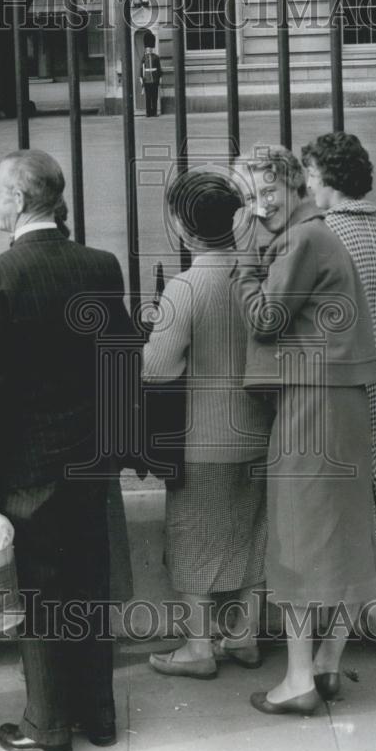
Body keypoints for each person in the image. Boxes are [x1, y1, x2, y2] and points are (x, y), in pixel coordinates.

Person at [0, 149, 134, 751]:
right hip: (90, 455)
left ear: (17, 200)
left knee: (38, 591)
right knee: (91, 582)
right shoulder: (100, 265)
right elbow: (121, 363)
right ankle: (101, 716)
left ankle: (48, 726)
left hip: (28, 463)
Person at [232, 146, 376, 715]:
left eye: (268, 191)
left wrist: (246, 264)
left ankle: (297, 680)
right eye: (248, 196)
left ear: (296, 185)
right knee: (331, 534)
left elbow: (266, 319)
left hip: (311, 402)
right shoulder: (316, 236)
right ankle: (325, 664)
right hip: (335, 399)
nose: (259, 206)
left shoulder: (301, 240)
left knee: (296, 535)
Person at [144, 171, 272, 679]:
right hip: (260, 432)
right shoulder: (256, 275)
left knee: (192, 538)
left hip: (203, 439)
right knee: (253, 533)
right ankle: (245, 636)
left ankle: (198, 648)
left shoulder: (185, 286)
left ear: (181, 226)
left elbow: (157, 369)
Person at [301, 132, 376, 543]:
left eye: (311, 174)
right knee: (362, 507)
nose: (308, 185)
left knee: (327, 517)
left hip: (333, 389)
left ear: (328, 177)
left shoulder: (324, 236)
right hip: (374, 386)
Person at [139, 30, 162, 117]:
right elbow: (141, 68)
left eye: (150, 48)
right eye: (148, 48)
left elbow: (159, 68)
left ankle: (154, 112)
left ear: (152, 48)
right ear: (146, 48)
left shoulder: (156, 57)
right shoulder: (144, 58)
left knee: (154, 97)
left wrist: (160, 78)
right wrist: (141, 78)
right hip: (147, 80)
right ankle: (148, 113)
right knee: (148, 98)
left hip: (155, 79)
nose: (149, 49)